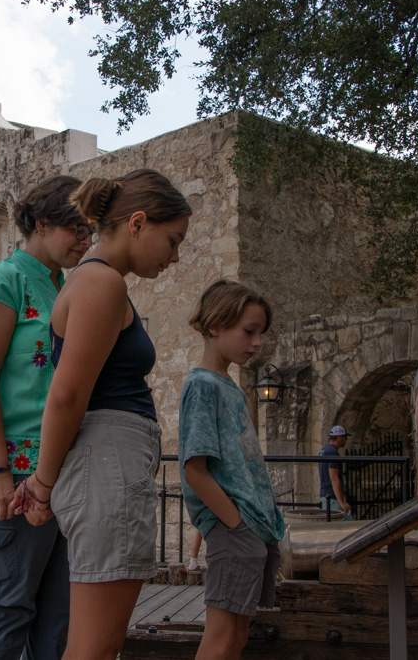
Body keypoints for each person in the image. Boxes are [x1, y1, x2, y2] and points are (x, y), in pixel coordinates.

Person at [14, 169, 192, 660]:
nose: (174, 257)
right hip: (107, 462)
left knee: (98, 644)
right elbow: (68, 394)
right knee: (95, 647)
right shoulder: (101, 283)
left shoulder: (96, 281)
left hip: (109, 463)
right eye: (172, 240)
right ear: (137, 222)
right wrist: (42, 485)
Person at [0, 175, 90, 659]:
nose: (86, 240)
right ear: (41, 222)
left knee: (59, 616)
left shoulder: (66, 288)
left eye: (91, 231)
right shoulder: (3, 280)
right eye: (77, 228)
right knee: (7, 607)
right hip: (9, 472)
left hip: (56, 472)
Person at [178, 280, 285, 659]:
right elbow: (194, 470)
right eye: (249, 331)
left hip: (253, 528)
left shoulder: (229, 387)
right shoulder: (203, 385)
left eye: (260, 333)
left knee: (238, 635)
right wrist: (236, 525)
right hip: (234, 530)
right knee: (222, 635)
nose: (256, 342)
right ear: (215, 325)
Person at [318, 425, 353, 519]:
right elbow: (333, 477)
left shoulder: (324, 450)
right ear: (340, 437)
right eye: (345, 437)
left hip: (326, 495)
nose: (346, 440)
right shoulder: (332, 452)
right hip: (333, 497)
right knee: (345, 526)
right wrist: (342, 502)